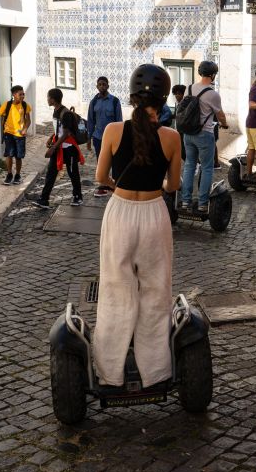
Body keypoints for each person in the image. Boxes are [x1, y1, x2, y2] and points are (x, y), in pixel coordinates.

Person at [92, 64, 183, 388]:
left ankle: (109, 373)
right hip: (154, 214)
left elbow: (100, 178)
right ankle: (156, 372)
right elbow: (173, 186)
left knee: (116, 289)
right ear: (163, 100)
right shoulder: (172, 138)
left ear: (132, 97)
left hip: (120, 211)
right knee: (156, 291)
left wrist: (120, 182)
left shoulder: (114, 131)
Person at [179, 61, 228, 214]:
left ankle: (186, 201)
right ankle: (202, 203)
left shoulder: (189, 88)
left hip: (188, 134)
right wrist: (224, 124)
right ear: (213, 75)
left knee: (189, 165)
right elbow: (220, 114)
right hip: (204, 135)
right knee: (207, 168)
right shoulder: (213, 94)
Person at [33, 88, 84, 208]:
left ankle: (78, 196)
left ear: (53, 99)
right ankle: (44, 199)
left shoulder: (65, 113)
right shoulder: (56, 111)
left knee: (73, 173)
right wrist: (51, 137)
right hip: (59, 147)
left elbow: (66, 134)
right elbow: (59, 130)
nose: (47, 99)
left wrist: (53, 148)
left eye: (48, 97)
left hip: (69, 148)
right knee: (51, 173)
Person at [86, 76, 123, 197]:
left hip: (112, 138)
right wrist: (88, 138)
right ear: (97, 86)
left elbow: (119, 121)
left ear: (108, 86)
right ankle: (103, 185)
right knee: (101, 161)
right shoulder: (94, 102)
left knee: (115, 162)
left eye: (104, 84)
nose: (102, 86)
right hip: (98, 137)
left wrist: (120, 138)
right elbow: (90, 121)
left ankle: (116, 186)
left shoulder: (114, 101)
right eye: (99, 84)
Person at [0, 85, 31, 185]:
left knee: (18, 156)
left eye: (23, 94)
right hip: (8, 134)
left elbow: (28, 120)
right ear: (13, 94)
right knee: (9, 155)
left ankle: (17, 175)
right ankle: (9, 174)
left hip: (20, 135)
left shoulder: (25, 105)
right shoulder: (7, 105)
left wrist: (25, 128)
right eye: (20, 94)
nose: (22, 96)